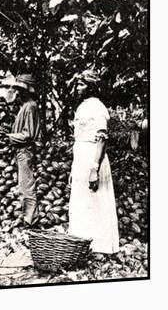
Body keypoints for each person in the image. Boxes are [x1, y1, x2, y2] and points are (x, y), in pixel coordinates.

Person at [68, 69, 119, 254]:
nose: (78, 88)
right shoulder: (82, 107)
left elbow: (101, 139)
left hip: (92, 157)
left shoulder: (98, 108)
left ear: (91, 87)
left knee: (96, 200)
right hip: (81, 157)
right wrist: (75, 168)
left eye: (82, 85)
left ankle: (101, 247)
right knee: (83, 202)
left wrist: (94, 168)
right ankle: (82, 245)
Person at [2, 74, 41, 227]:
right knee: (23, 186)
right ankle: (28, 218)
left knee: (27, 187)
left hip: (26, 151)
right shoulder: (25, 107)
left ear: (28, 91)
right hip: (22, 151)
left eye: (20, 90)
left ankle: (31, 221)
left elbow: (28, 135)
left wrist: (8, 137)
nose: (18, 93)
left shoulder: (30, 106)